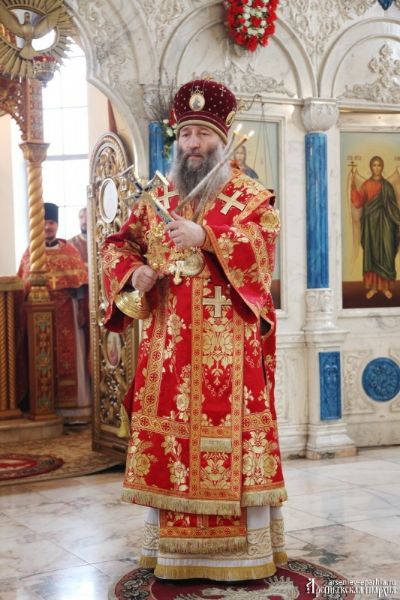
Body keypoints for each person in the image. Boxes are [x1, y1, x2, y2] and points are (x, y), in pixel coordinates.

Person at [101, 79, 287, 582]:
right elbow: (119, 244)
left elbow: (263, 249)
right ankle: (174, 555)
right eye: (185, 134)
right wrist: (134, 273)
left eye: (203, 134)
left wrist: (207, 235)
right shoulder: (159, 195)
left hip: (231, 354)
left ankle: (244, 555)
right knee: (172, 446)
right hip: (170, 354)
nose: (192, 144)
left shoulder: (249, 197)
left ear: (222, 140)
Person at [18, 202, 91, 422]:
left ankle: (74, 411)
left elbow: (81, 285)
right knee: (42, 360)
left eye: (51, 222)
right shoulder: (30, 254)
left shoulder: (69, 250)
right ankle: (44, 407)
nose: (48, 227)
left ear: (57, 225)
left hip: (68, 313)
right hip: (38, 319)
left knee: (71, 359)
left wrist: (82, 310)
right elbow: (22, 285)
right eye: (44, 223)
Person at [351, 155, 400, 299]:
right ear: (371, 167)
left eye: (379, 165)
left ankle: (385, 288)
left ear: (382, 167)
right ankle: (373, 287)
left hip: (386, 226)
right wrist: (352, 185)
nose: (377, 168)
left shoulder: (387, 186)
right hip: (371, 226)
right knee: (372, 255)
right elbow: (358, 202)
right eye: (374, 165)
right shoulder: (366, 185)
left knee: (386, 255)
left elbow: (393, 207)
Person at [68, 207, 90, 362]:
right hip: (81, 298)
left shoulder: (103, 241)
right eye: (81, 217)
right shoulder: (71, 245)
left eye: (86, 217)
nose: (84, 221)